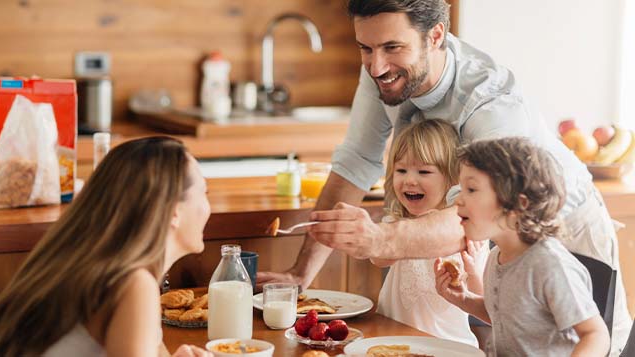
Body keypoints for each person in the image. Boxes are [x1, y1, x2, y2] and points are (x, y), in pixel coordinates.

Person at [257, 0, 631, 353]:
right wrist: (300, 274)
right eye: (365, 49)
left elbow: (479, 211)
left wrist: (379, 237)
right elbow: (356, 162)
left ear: (435, 36)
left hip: (563, 229)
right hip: (495, 236)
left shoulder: (491, 101)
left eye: (391, 47)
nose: (375, 67)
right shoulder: (381, 69)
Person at [0, 137, 213, 357]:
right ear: (173, 212)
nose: (208, 206)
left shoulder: (83, 261)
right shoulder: (134, 284)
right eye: (204, 192)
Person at [435, 137, 610, 356]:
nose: (458, 200)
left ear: (518, 204)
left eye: (471, 189)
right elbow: (506, 318)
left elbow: (595, 334)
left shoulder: (550, 266)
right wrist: (464, 299)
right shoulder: (496, 256)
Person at [373, 118, 488, 346]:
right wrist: (402, 239)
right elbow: (377, 258)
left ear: (453, 179)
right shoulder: (397, 223)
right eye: (401, 170)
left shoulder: (469, 231)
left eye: (424, 172)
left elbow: (484, 301)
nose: (409, 180)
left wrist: (473, 272)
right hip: (393, 341)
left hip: (448, 345)